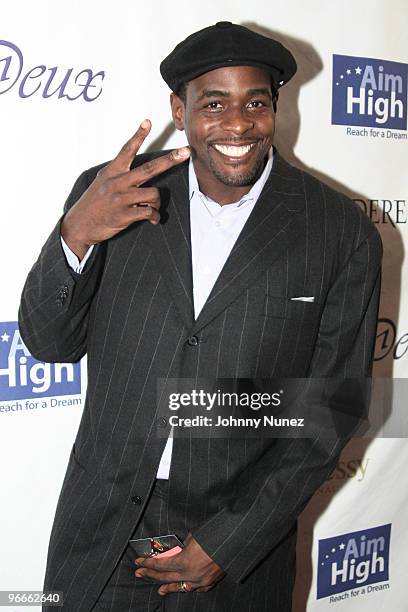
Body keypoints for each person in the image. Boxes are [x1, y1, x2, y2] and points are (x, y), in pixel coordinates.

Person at [19, 21, 382, 612]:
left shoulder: (339, 232)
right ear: (178, 109)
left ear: (275, 109)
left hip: (236, 547)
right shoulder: (114, 194)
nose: (237, 124)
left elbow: (332, 411)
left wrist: (230, 540)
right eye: (214, 104)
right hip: (105, 532)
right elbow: (48, 342)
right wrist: (77, 233)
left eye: (254, 103)